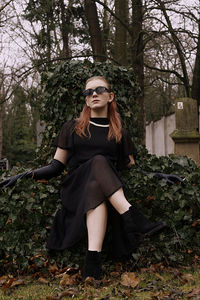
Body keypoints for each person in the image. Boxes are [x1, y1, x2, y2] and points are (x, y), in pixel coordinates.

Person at [0, 76, 167, 280]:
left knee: (96, 186)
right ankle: (133, 216)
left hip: (103, 190)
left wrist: (160, 175)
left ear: (110, 96)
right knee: (98, 160)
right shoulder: (72, 127)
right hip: (76, 188)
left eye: (99, 90)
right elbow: (56, 166)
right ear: (86, 101)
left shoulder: (119, 133)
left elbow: (131, 169)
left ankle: (92, 262)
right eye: (88, 92)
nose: (93, 94)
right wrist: (24, 175)